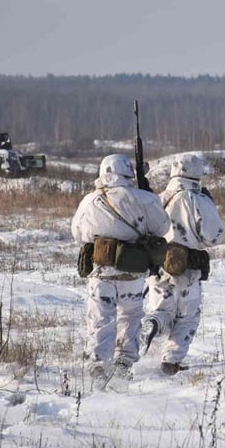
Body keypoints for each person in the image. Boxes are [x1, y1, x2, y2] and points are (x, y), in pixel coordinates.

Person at [71, 154, 170, 381]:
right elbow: (163, 227)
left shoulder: (90, 201)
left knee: (100, 317)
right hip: (132, 273)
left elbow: (78, 233)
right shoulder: (145, 199)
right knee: (132, 315)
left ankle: (98, 366)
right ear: (129, 173)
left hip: (102, 273)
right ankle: (124, 362)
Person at [138, 154, 225, 376]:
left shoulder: (157, 198)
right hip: (188, 267)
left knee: (161, 310)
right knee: (187, 316)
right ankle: (171, 361)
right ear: (197, 172)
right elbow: (214, 236)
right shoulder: (198, 199)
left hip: (158, 265)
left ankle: (153, 323)